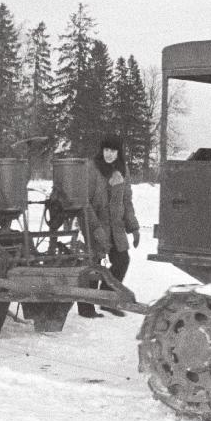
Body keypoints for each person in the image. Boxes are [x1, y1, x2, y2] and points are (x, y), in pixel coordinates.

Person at [78, 133, 140, 318]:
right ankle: (86, 307)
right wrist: (95, 228)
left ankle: (107, 300)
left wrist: (134, 227)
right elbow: (84, 201)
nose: (109, 154)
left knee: (122, 260)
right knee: (93, 264)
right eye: (106, 150)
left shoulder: (122, 170)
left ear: (118, 153)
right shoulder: (92, 168)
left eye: (113, 151)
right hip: (95, 224)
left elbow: (127, 201)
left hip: (116, 226)